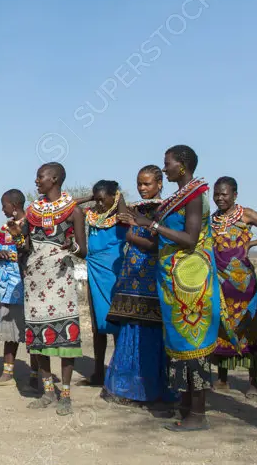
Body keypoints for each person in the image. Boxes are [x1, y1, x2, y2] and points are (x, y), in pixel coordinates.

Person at [126, 145, 220, 432]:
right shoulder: (181, 196)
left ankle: (198, 414)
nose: (164, 168)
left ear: (182, 165)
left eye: (167, 164)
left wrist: (151, 224)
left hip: (191, 280)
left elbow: (190, 239)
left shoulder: (195, 195)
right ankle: (187, 408)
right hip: (174, 281)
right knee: (180, 347)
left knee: (194, 346)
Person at [14, 163, 87, 415]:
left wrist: (70, 246)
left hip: (60, 278)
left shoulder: (74, 212)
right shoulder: (32, 212)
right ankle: (47, 392)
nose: (36, 181)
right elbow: (25, 248)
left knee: (65, 335)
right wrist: (17, 238)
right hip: (35, 279)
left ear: (54, 179)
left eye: (40, 177)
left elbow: (83, 251)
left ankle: (64, 394)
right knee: (39, 337)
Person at [104, 166, 175, 408]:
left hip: (152, 276)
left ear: (159, 183)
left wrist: (132, 235)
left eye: (147, 184)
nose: (143, 188)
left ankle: (152, 390)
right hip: (132, 275)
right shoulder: (136, 209)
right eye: (139, 184)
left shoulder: (165, 210)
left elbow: (159, 244)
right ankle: (128, 388)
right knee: (131, 327)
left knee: (151, 331)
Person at [210, 176, 257, 396]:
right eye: (216, 194)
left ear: (235, 194)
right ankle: (222, 378)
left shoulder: (247, 214)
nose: (219, 198)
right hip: (219, 281)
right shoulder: (212, 219)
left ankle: (253, 384)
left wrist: (254, 243)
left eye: (224, 194)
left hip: (243, 282)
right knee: (222, 328)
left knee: (248, 328)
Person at [81, 180, 127, 387]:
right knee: (97, 326)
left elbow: (125, 212)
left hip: (115, 273)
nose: (99, 203)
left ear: (114, 196)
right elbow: (68, 205)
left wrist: (120, 198)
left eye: (103, 199)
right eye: (96, 199)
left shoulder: (122, 217)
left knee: (116, 322)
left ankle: (118, 372)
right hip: (94, 272)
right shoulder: (92, 215)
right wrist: (90, 197)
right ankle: (98, 371)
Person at [0, 189, 30, 385]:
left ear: (14, 206)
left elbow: (27, 251)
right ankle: (8, 372)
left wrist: (13, 254)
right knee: (9, 331)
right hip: (4, 287)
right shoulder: (4, 228)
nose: (2, 208)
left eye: (4, 204)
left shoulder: (29, 225)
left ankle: (36, 374)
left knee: (29, 330)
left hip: (21, 285)